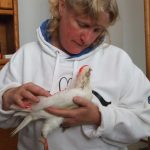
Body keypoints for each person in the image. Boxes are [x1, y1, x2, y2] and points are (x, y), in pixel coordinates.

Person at [0, 0, 150, 150]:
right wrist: (7, 98)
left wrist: (100, 117)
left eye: (97, 30)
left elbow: (146, 120)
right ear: (62, 6)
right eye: (82, 24)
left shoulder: (119, 61)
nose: (87, 38)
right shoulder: (25, 57)